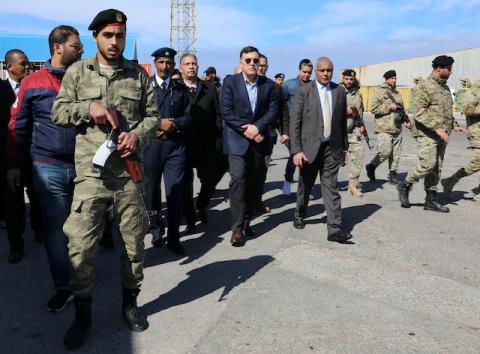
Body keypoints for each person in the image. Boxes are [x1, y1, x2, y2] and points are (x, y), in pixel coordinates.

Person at [51, 9, 158, 349]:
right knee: (80, 246)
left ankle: (130, 303)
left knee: (133, 246)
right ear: (95, 37)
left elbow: (155, 116)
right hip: (91, 176)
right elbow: (59, 111)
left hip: (128, 175)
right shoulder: (78, 72)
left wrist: (138, 135)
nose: (115, 42)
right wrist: (89, 108)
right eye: (108, 35)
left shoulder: (138, 76)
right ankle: (83, 313)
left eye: (120, 36)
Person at [6, 25, 83, 313]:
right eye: (76, 45)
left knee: (84, 228)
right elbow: (18, 126)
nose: (81, 50)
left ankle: (82, 277)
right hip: (46, 165)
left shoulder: (85, 78)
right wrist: (14, 163)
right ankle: (64, 286)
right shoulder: (33, 82)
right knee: (56, 229)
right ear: (58, 47)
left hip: (84, 166)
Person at [289, 56, 352, 243]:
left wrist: (344, 150)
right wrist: (296, 150)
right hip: (309, 148)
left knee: (331, 187)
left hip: (331, 148)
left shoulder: (339, 91)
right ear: (316, 71)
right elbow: (295, 123)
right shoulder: (304, 91)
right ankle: (300, 213)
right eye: (322, 70)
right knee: (305, 185)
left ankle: (334, 229)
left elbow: (341, 123)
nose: (326, 73)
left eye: (329, 70)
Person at [221, 46, 277, 247]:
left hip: (259, 142)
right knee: (238, 180)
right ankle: (236, 229)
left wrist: (258, 127)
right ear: (241, 63)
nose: (252, 64)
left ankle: (246, 223)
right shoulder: (230, 82)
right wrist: (248, 130)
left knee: (254, 184)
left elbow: (272, 111)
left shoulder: (268, 85)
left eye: (255, 60)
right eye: (248, 60)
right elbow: (227, 112)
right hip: (237, 141)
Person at [398, 55, 467, 212]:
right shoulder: (424, 86)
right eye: (449, 69)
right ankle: (405, 184)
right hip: (427, 133)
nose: (451, 71)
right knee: (428, 164)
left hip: (443, 134)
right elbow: (419, 111)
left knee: (437, 167)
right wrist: (437, 128)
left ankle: (430, 200)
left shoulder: (445, 88)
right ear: (439, 68)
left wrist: (454, 124)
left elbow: (447, 111)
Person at [143, 47, 191, 255]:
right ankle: (155, 230)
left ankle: (174, 237)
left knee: (175, 191)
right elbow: (135, 116)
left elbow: (189, 117)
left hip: (175, 147)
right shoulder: (145, 87)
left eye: (168, 63)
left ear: (173, 65)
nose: (165, 66)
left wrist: (174, 124)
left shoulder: (180, 89)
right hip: (151, 146)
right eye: (161, 62)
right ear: (155, 64)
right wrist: (158, 125)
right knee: (151, 191)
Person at [2, 49, 43, 264]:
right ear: (10, 67)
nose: (28, 67)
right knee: (13, 203)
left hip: (34, 154)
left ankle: (39, 229)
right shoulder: (1, 90)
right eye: (24, 63)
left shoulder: (34, 87)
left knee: (37, 196)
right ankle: (16, 245)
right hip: (9, 158)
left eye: (29, 63)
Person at [179, 53, 222, 228]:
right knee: (185, 183)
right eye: (187, 64)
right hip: (183, 144)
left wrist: (218, 139)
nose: (191, 66)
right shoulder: (175, 87)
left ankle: (202, 204)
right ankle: (189, 215)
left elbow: (217, 115)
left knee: (210, 179)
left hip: (206, 143)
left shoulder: (208, 88)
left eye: (194, 63)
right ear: (181, 67)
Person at [366, 70, 411, 184]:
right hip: (384, 127)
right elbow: (373, 109)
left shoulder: (397, 93)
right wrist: (388, 107)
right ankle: (371, 166)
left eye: (395, 78)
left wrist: (406, 120)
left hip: (396, 127)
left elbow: (401, 109)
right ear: (386, 79)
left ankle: (392, 174)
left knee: (396, 154)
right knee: (385, 152)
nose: (394, 80)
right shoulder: (379, 92)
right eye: (392, 78)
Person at [442, 82, 480, 202]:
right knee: (477, 162)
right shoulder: (473, 91)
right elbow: (468, 109)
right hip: (477, 132)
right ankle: (451, 180)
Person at [282, 58, 313, 196]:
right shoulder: (288, 85)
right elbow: (281, 109)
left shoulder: (314, 86)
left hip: (308, 128)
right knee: (294, 155)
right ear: (299, 70)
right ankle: (288, 181)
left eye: (309, 72)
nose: (306, 75)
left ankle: (305, 189)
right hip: (292, 128)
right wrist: (283, 131)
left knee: (307, 159)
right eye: (304, 72)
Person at [339, 69, 365, 197]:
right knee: (335, 160)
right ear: (342, 78)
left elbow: (360, 111)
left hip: (354, 131)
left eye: (351, 79)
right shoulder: (336, 91)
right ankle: (330, 185)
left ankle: (352, 185)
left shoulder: (358, 93)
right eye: (347, 79)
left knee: (359, 157)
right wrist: (345, 110)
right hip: (338, 131)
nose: (349, 81)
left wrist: (361, 125)